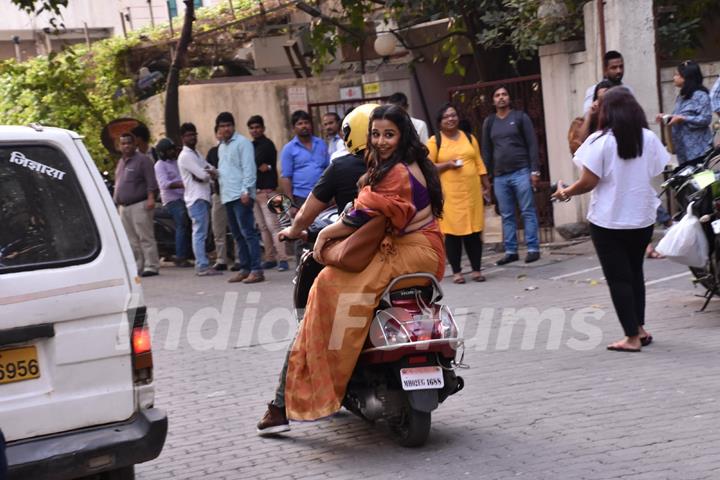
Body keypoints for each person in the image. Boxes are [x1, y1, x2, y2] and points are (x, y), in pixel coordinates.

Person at [256, 104, 445, 434]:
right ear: (367, 135)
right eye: (376, 134)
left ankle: (301, 394)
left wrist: (321, 233)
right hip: (423, 252)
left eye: (389, 134)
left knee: (326, 290)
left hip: (408, 252)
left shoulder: (386, 170)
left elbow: (355, 214)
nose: (382, 141)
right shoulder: (412, 164)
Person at [553, 88, 668, 352]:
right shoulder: (648, 138)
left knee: (619, 279)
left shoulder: (600, 141)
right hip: (642, 218)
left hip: (609, 221)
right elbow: (655, 169)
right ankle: (639, 328)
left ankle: (631, 338)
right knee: (635, 273)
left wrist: (565, 192)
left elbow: (588, 182)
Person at [278, 103, 379, 241]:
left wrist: (293, 230)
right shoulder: (405, 162)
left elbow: (306, 214)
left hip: (355, 245)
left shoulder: (340, 166)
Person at [427, 103, 491, 283]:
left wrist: (487, 185)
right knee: (453, 234)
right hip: (450, 196)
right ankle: (457, 272)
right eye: (446, 116)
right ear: (440, 122)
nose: (451, 119)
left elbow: (479, 162)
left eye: (453, 115)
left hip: (472, 194)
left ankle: (476, 270)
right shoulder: (434, 141)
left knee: (474, 232)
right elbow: (427, 166)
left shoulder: (469, 138)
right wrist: (447, 165)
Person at [481, 86, 542, 265]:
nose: (501, 98)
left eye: (504, 94)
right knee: (507, 214)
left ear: (509, 98)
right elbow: (486, 151)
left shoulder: (520, 117)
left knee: (527, 211)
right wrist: (486, 178)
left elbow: (532, 144)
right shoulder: (489, 122)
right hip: (500, 177)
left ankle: (533, 248)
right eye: (497, 95)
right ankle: (511, 251)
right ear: (493, 101)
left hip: (521, 171)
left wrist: (534, 171)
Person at [217, 112, 265, 284]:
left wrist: (246, 191)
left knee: (248, 233)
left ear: (233, 126)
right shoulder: (221, 146)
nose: (226, 128)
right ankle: (245, 268)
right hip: (228, 195)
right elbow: (226, 171)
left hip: (241, 195)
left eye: (228, 125)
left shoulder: (243, 143)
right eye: (222, 126)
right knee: (237, 235)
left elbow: (249, 169)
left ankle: (256, 270)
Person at [280, 110, 330, 263]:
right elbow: (286, 177)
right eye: (300, 124)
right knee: (301, 235)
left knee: (324, 231)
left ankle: (321, 267)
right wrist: (291, 203)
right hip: (301, 198)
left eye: (306, 122)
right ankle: (301, 270)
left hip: (323, 196)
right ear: (294, 128)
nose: (304, 126)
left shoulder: (321, 144)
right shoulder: (289, 149)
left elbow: (329, 169)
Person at [113, 132, 160, 277]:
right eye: (123, 143)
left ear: (135, 144)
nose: (126, 146)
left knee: (145, 237)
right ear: (120, 146)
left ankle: (151, 265)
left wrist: (151, 198)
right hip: (123, 207)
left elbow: (151, 181)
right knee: (131, 240)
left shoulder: (143, 160)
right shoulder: (121, 162)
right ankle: (138, 266)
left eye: (129, 143)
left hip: (140, 204)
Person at [177, 123, 221, 276]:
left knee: (201, 232)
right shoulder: (185, 156)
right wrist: (208, 174)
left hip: (202, 197)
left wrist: (208, 174)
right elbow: (203, 175)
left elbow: (211, 169)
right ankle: (202, 265)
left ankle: (203, 264)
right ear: (182, 138)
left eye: (194, 134)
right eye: (189, 135)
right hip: (196, 198)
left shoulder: (195, 154)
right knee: (199, 232)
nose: (192, 137)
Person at [247, 114, 289, 272]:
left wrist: (256, 165)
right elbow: (251, 164)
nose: (255, 130)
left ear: (263, 128)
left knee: (275, 226)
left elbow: (254, 161)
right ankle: (270, 258)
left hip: (269, 192)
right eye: (251, 128)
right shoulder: (251, 146)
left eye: (257, 127)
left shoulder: (267, 144)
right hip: (255, 192)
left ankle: (283, 259)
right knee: (263, 227)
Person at [656, 60, 713, 167]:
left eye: (677, 75)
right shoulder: (682, 96)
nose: (674, 78)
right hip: (683, 152)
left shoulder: (701, 96)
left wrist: (684, 119)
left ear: (686, 78)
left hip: (698, 152)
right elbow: (679, 116)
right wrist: (666, 117)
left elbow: (706, 119)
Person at [153, 138, 191, 267]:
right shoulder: (160, 165)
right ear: (163, 152)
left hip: (186, 197)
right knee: (182, 222)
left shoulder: (177, 162)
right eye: (170, 150)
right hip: (172, 200)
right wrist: (183, 184)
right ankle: (181, 256)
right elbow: (164, 184)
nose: (173, 151)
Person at [206, 125, 236, 271]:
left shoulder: (235, 149)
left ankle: (239, 259)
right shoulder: (212, 152)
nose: (222, 134)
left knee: (236, 228)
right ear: (216, 135)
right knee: (218, 228)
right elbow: (207, 170)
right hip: (218, 193)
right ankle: (221, 259)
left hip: (233, 193)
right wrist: (212, 174)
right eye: (218, 132)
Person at [569, 80, 614, 155]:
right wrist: (590, 115)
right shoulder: (592, 118)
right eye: (599, 98)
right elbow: (581, 144)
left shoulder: (619, 117)